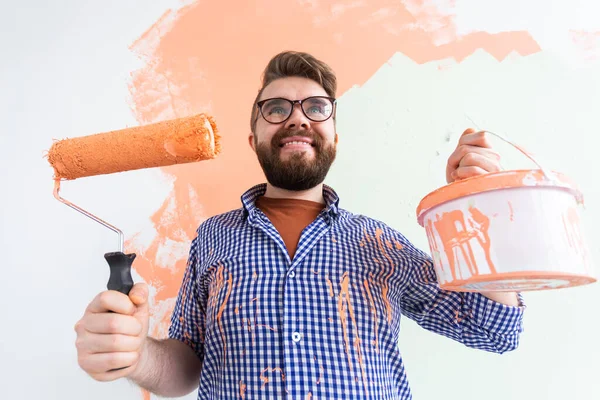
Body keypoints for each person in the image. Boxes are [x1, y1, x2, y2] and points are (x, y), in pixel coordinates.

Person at [74, 51, 525, 399]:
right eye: (276, 108)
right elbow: (187, 365)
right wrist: (136, 356)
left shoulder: (380, 242)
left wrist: (481, 211)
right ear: (254, 140)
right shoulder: (212, 238)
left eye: (315, 107)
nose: (297, 117)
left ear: (333, 137)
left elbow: (495, 331)